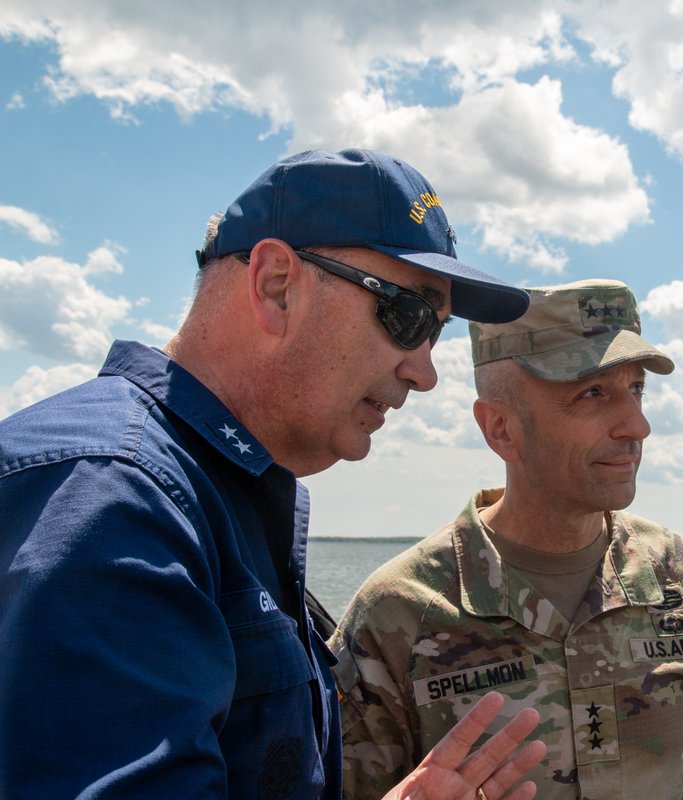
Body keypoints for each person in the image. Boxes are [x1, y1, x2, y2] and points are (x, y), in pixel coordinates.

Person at [0, 148, 548, 799]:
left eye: (437, 333)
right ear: (275, 285)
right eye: (409, 316)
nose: (425, 373)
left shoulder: (204, 492)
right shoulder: (115, 503)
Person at [331, 279, 683, 799]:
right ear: (501, 429)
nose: (637, 425)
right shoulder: (399, 614)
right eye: (593, 393)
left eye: (637, 389)